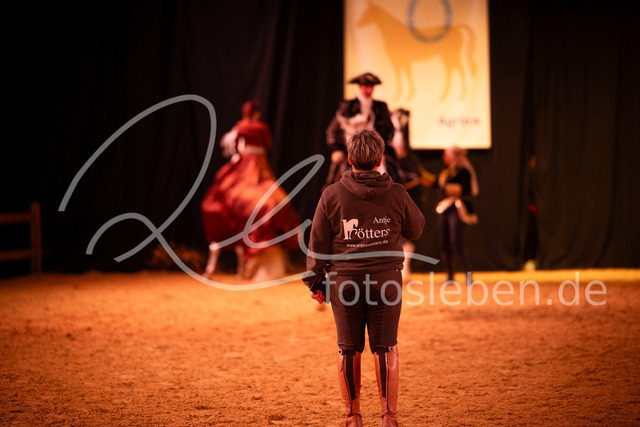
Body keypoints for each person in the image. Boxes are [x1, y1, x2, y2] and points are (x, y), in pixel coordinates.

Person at [303, 129, 425, 426]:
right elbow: (416, 229)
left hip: (345, 282)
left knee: (348, 347)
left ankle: (353, 417)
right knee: (386, 347)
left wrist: (315, 282)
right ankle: (389, 417)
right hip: (386, 281)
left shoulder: (331, 195)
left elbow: (317, 243)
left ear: (349, 159)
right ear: (380, 159)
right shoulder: (397, 192)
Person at [200, 100, 300, 280]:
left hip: (243, 165)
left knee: (222, 196)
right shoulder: (261, 127)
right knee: (274, 200)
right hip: (258, 166)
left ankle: (215, 267)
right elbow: (267, 144)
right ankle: (249, 263)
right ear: (257, 114)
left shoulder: (239, 127)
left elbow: (232, 146)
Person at [324, 72, 398, 188]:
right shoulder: (347, 105)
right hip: (350, 149)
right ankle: (331, 191)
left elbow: (390, 129)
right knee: (336, 175)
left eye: (371, 86)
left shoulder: (381, 106)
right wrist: (336, 148)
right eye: (365, 86)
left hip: (376, 150)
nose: (368, 90)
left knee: (394, 170)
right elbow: (332, 130)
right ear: (360, 87)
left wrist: (383, 145)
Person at [435, 145, 479, 285]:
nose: (444, 157)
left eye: (446, 154)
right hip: (445, 208)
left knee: (457, 241)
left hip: (458, 208)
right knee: (444, 241)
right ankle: (449, 276)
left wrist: (445, 188)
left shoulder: (464, 171)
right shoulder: (447, 172)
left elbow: (464, 189)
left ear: (453, 156)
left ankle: (468, 275)